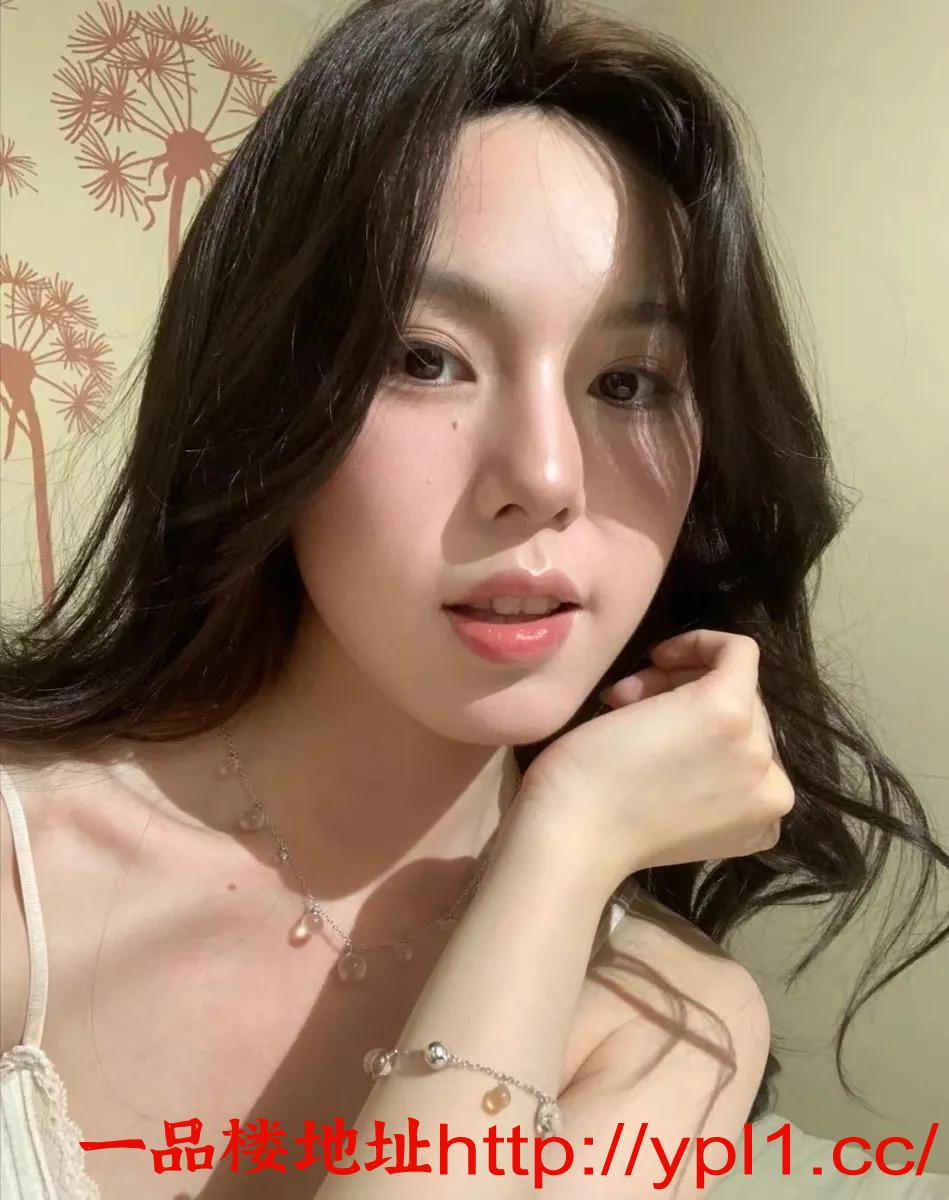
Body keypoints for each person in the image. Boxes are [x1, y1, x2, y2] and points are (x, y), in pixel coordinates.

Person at [1, 0, 946, 1196]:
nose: (543, 478)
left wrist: (565, 846)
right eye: (424, 358)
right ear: (264, 396)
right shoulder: (28, 868)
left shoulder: (675, 1024)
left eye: (628, 382)